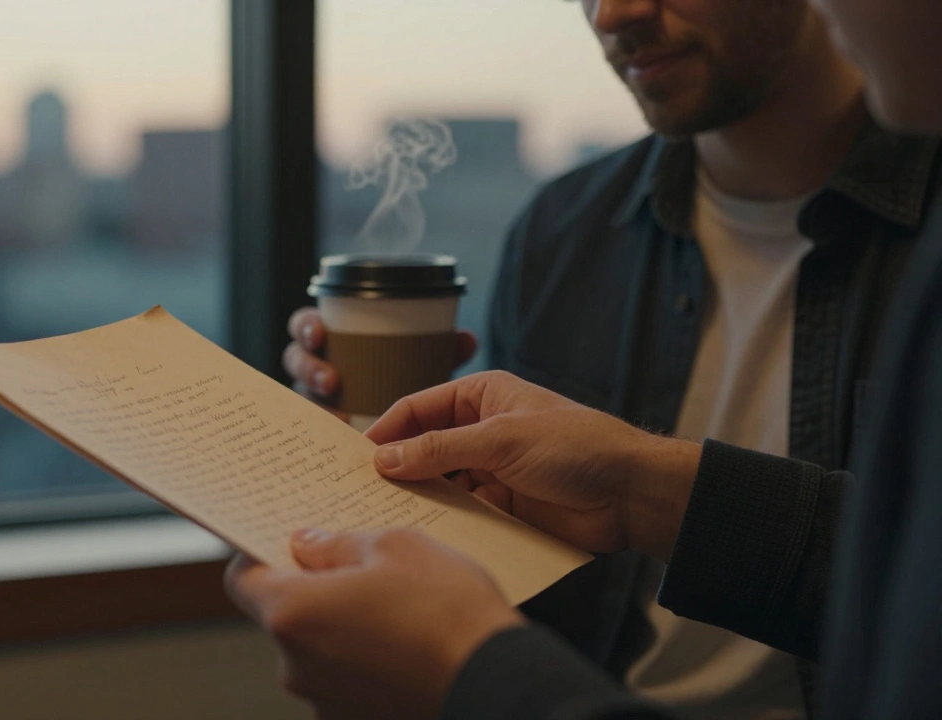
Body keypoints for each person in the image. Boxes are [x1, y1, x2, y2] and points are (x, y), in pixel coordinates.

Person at [226, 0, 942, 719]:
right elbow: (513, 566)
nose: (612, 13)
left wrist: (472, 674)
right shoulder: (560, 234)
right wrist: (389, 451)